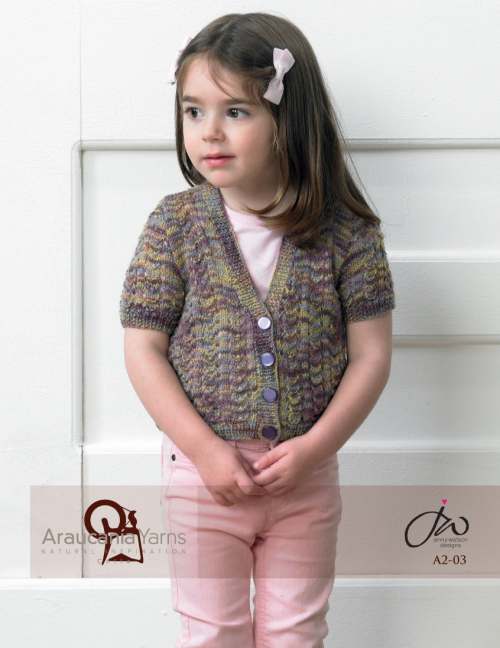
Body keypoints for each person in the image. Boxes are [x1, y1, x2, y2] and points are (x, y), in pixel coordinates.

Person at [119, 11, 396, 647]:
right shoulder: (175, 226)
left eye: (236, 112)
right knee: (212, 631)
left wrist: (316, 447)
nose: (209, 132)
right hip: (202, 477)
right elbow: (143, 348)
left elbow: (372, 357)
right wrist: (204, 450)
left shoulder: (348, 233)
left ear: (286, 118)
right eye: (193, 111)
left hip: (305, 476)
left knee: (295, 633)